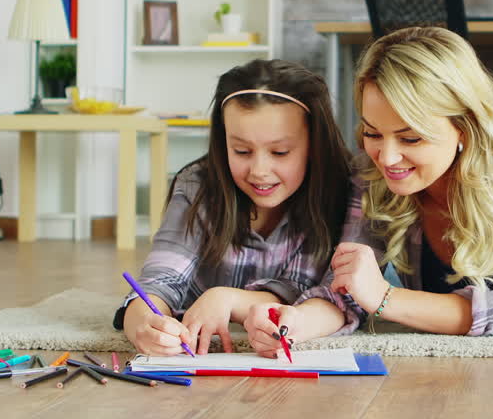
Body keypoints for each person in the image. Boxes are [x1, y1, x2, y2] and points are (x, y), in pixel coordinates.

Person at [244, 26, 493, 352]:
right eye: (371, 132)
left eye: (411, 138)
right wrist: (296, 323)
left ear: (463, 127)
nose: (387, 157)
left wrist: (386, 298)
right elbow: (348, 289)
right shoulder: (376, 161)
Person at [113, 59, 350, 355]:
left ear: (315, 144)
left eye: (280, 152)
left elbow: (327, 298)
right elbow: (159, 283)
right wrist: (145, 324)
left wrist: (226, 299)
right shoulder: (197, 185)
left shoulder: (344, 192)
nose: (259, 170)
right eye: (241, 151)